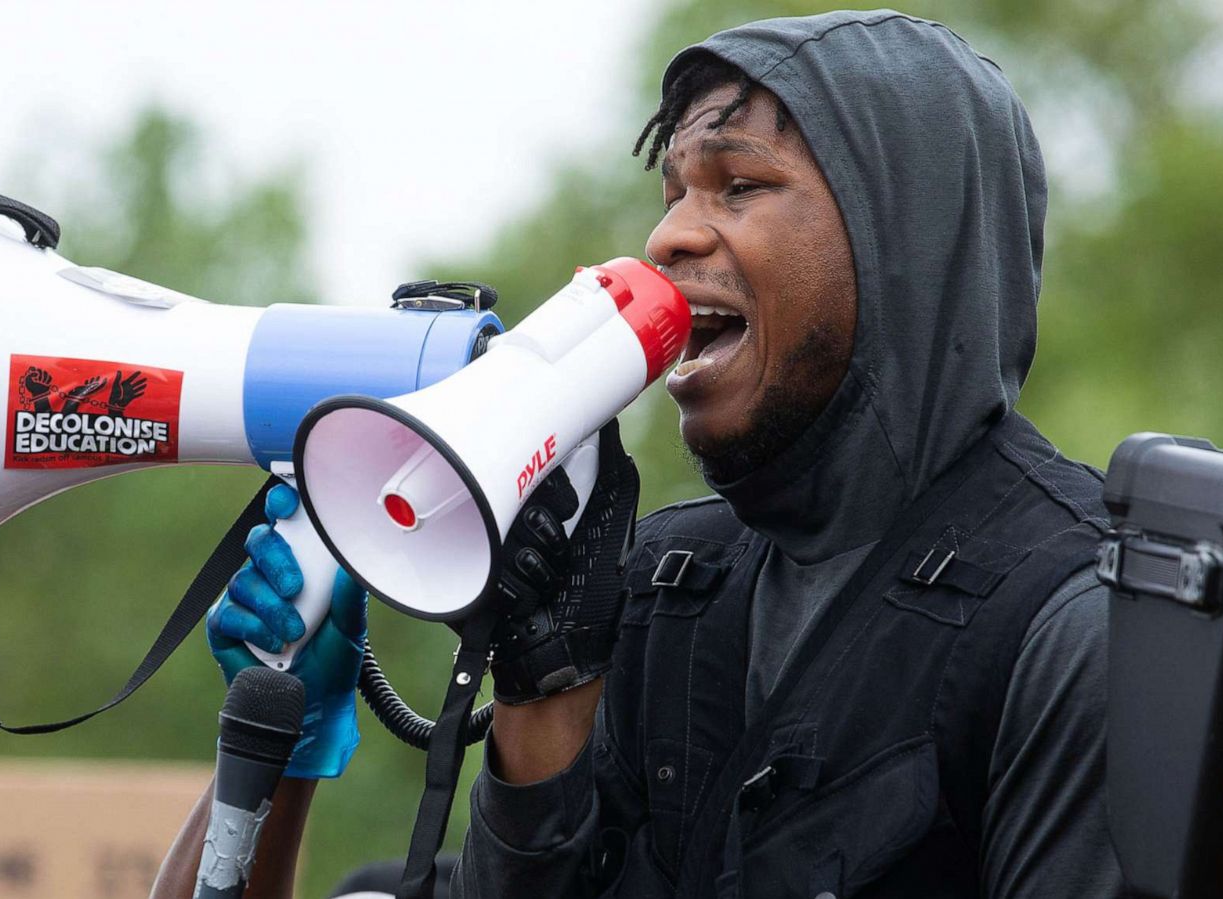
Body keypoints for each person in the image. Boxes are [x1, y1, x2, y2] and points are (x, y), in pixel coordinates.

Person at [171, 9, 1129, 897]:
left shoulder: (1076, 623)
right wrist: (286, 738)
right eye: (672, 191)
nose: (668, 234)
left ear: (900, 238)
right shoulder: (664, 590)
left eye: (740, 185)